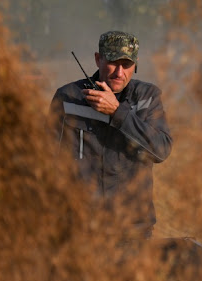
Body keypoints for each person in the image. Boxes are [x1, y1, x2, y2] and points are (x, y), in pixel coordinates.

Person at [49, 30, 173, 239]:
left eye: (126, 64)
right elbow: (48, 158)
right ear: (98, 59)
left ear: (136, 63)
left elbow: (160, 151)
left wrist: (118, 112)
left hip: (132, 230)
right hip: (80, 229)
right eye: (113, 62)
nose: (119, 72)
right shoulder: (68, 98)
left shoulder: (147, 97)